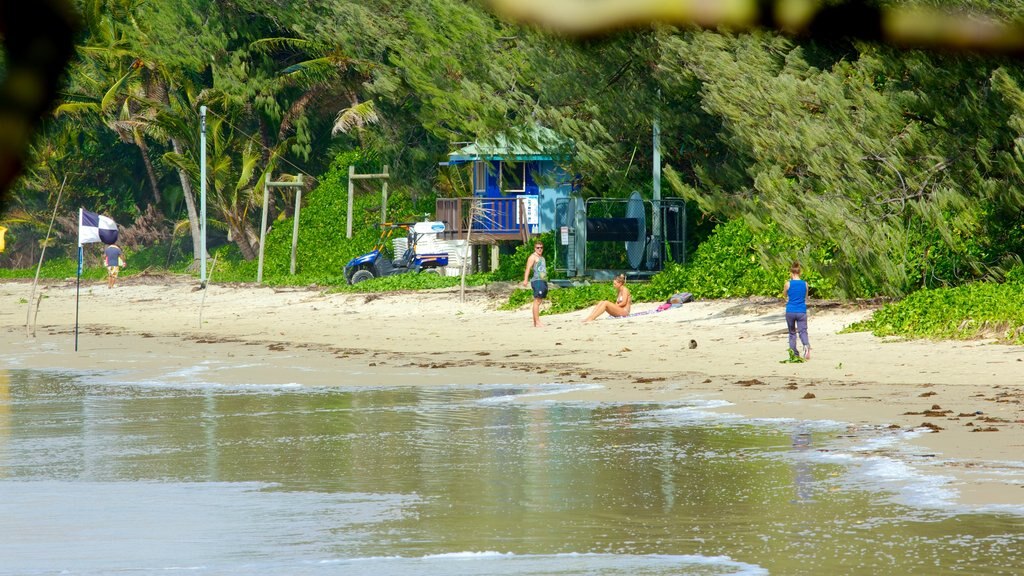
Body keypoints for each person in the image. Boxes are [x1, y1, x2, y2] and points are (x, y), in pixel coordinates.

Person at [783, 261, 810, 360]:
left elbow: (785, 295)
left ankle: (794, 353)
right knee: (803, 331)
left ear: (791, 273)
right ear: (800, 273)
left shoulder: (788, 284)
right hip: (801, 310)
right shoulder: (805, 284)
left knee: (792, 333)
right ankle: (806, 346)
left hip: (790, 310)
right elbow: (806, 297)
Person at [522, 241, 548, 327]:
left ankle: (535, 322)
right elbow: (528, 269)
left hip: (542, 280)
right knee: (537, 300)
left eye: (541, 247)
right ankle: (537, 321)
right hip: (537, 281)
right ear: (535, 248)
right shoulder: (532, 257)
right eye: (538, 248)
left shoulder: (542, 258)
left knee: (539, 300)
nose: (540, 249)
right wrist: (525, 280)